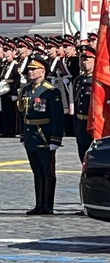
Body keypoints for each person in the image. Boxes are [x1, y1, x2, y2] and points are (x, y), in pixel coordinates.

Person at [18, 54, 63, 214]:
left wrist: (56, 139)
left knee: (47, 171)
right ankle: (39, 204)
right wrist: (23, 135)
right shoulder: (26, 90)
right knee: (36, 170)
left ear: (42, 72)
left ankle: (47, 205)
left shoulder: (51, 91)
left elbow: (58, 118)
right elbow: (22, 114)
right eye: (29, 69)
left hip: (45, 136)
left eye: (33, 69)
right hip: (31, 135)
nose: (30, 72)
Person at [72, 45, 95, 162]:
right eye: (81, 59)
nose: (83, 62)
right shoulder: (78, 80)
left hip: (93, 124)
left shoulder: (98, 80)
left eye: (86, 59)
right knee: (82, 154)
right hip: (81, 124)